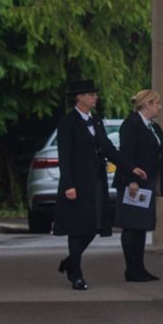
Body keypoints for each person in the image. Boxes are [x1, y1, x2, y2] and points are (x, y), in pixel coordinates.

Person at [55, 80, 142, 290]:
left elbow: (108, 148)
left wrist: (130, 167)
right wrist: (68, 184)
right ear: (80, 98)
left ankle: (70, 262)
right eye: (91, 94)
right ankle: (76, 273)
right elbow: (64, 156)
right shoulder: (68, 123)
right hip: (77, 182)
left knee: (95, 225)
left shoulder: (95, 120)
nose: (96, 98)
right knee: (77, 228)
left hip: (96, 182)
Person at [117, 89, 163, 282]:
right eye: (157, 103)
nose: (160, 107)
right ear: (147, 104)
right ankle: (130, 269)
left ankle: (139, 267)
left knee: (141, 225)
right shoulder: (130, 125)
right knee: (131, 226)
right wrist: (131, 180)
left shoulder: (154, 127)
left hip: (148, 182)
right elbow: (125, 155)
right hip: (134, 183)